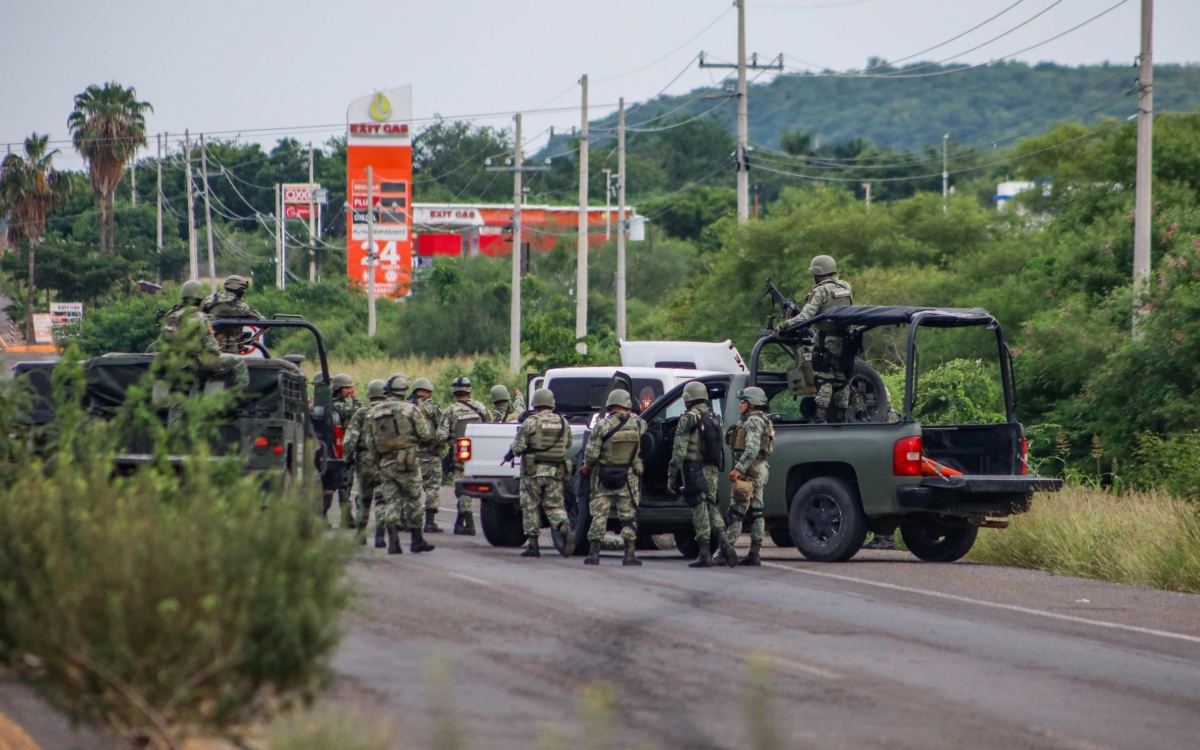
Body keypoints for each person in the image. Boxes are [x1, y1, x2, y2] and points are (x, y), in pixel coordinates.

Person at [362, 378, 436, 555]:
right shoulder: (410, 409)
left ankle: (393, 542)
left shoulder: (374, 411)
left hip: (385, 463)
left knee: (391, 502)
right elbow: (426, 434)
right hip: (408, 463)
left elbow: (369, 441)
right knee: (413, 501)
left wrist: (374, 461)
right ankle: (416, 540)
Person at [667, 381, 735, 569]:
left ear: (688, 399)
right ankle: (725, 543)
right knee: (712, 507)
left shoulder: (688, 419)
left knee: (699, 510)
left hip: (693, 469)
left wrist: (671, 477)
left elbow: (679, 452)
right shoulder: (714, 417)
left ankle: (704, 553)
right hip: (712, 469)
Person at [781, 255, 854, 423]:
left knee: (824, 378)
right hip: (846, 341)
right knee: (841, 379)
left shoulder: (821, 291)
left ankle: (820, 418)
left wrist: (784, 325)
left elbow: (805, 316)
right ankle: (842, 418)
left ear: (818, 273)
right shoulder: (845, 287)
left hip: (827, 342)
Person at [580, 389, 646, 566]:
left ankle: (594, 553)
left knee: (599, 515)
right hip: (629, 477)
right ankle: (629, 554)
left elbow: (592, 454)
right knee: (628, 515)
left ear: (611, 404)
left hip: (604, 476)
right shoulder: (638, 424)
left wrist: (587, 467)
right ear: (628, 405)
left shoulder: (602, 425)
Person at [508, 388, 575, 558]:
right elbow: (568, 445)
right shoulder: (563, 422)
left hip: (533, 472)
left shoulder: (531, 422)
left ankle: (533, 545)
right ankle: (565, 528)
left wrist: (510, 454)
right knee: (554, 506)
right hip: (555, 472)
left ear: (535, 404)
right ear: (551, 404)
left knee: (530, 507)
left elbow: (519, 446)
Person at [159, 280, 249, 391]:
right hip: (194, 362)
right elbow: (211, 346)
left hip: (172, 361)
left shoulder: (172, 315)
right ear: (200, 299)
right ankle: (238, 398)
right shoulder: (199, 317)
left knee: (180, 400)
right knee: (238, 362)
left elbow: (162, 339)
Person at [724, 387, 775, 566]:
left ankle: (725, 550)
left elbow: (752, 449)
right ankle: (754, 553)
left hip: (750, 472)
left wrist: (738, 469)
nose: (740, 404)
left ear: (752, 404)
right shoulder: (762, 420)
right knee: (756, 511)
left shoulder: (753, 421)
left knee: (737, 510)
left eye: (744, 401)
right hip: (759, 469)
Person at [437, 376, 492, 535]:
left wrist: (451, 443)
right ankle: (461, 521)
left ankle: (469, 523)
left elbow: (441, 435)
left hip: (460, 453)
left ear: (454, 392)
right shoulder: (481, 408)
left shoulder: (450, 410)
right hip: (480, 453)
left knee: (462, 484)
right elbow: (491, 426)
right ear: (469, 391)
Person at [343, 379, 387, 546]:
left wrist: (346, 459)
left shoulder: (361, 413)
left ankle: (361, 534)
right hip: (385, 459)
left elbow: (351, 439)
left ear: (370, 394)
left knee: (364, 498)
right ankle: (380, 536)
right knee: (382, 499)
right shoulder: (389, 412)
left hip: (365, 460)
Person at [409, 377, 445, 534]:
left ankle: (407, 520)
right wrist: (439, 448)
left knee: (410, 487)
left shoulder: (406, 406)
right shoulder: (432, 406)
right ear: (429, 391)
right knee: (432, 487)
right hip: (429, 454)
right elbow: (442, 428)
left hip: (409, 454)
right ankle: (429, 522)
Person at [331, 373, 365, 529]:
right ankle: (346, 516)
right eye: (347, 388)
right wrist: (356, 398)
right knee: (344, 483)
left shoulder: (337, 403)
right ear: (338, 389)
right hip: (342, 449)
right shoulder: (338, 405)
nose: (350, 390)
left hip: (343, 447)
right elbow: (358, 413)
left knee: (345, 483)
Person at [201, 275, 261, 353]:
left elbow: (198, 312)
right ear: (238, 290)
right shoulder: (241, 305)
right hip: (233, 344)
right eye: (242, 289)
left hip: (211, 343)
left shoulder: (210, 299)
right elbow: (259, 318)